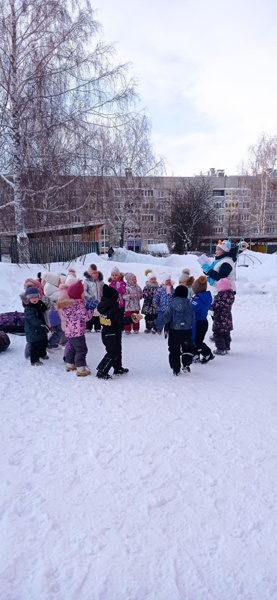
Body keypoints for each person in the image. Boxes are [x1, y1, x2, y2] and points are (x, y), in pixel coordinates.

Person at [96, 284, 142, 380]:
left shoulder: (103, 306)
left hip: (107, 333)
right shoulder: (113, 309)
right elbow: (120, 320)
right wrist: (132, 319)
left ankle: (118, 368)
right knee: (112, 353)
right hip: (112, 334)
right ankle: (102, 371)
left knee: (117, 351)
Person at [56, 280, 96, 377]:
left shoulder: (68, 305)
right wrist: (90, 310)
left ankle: (70, 364)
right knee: (82, 349)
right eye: (83, 293)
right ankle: (80, 368)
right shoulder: (78, 305)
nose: (84, 295)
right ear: (78, 294)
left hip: (69, 332)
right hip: (77, 332)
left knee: (73, 348)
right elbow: (85, 317)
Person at [163, 286, 195, 375]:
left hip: (174, 331)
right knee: (188, 348)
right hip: (186, 331)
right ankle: (186, 364)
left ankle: (175, 368)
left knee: (174, 350)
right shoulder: (189, 305)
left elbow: (166, 317)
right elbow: (192, 318)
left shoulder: (172, 305)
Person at [21, 286, 49, 366]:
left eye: (36, 297)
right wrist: (40, 323)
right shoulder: (28, 308)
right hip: (33, 330)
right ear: (28, 298)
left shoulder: (38, 304)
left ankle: (42, 354)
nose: (34, 299)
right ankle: (34, 360)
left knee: (43, 342)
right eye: (31, 297)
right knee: (35, 345)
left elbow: (43, 311)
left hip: (40, 328)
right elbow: (32, 319)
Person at [191, 276, 214, 364]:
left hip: (198, 323)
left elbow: (192, 310)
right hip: (203, 321)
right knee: (197, 340)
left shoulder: (198, 300)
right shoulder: (205, 297)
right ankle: (195, 355)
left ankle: (207, 353)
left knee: (197, 341)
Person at [210, 278, 235, 355]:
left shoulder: (219, 297)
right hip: (228, 318)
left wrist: (209, 306)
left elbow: (215, 307)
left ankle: (221, 349)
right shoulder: (231, 295)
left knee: (218, 334)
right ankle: (227, 346)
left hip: (219, 318)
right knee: (226, 333)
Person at [41, 272, 63, 351]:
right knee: (59, 330)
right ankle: (50, 345)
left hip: (52, 314)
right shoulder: (55, 291)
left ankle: (54, 344)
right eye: (59, 281)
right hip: (55, 314)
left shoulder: (49, 287)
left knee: (57, 330)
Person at [83, 263, 104, 332]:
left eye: (96, 273)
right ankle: (88, 327)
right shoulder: (86, 282)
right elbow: (84, 290)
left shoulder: (100, 282)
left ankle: (98, 327)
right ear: (90, 274)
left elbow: (103, 290)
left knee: (98, 314)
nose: (96, 274)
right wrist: (89, 297)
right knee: (90, 314)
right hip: (91, 301)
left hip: (99, 300)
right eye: (94, 273)